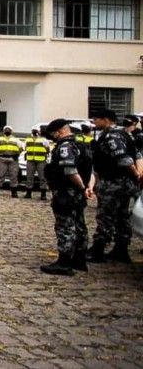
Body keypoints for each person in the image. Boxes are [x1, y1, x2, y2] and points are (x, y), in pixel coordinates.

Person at [85, 109, 142, 264]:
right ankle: (121, 249)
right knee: (122, 216)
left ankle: (98, 249)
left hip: (113, 182)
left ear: (106, 119)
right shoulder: (125, 134)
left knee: (106, 215)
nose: (94, 122)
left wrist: (136, 173)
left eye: (96, 119)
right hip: (125, 183)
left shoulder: (111, 136)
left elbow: (123, 158)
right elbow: (137, 155)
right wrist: (138, 174)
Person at [40, 119, 93, 276]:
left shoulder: (65, 147)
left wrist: (82, 187)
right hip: (78, 193)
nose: (52, 136)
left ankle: (64, 262)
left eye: (53, 133)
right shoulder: (82, 145)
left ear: (60, 130)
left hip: (66, 192)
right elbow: (90, 170)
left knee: (65, 226)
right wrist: (87, 188)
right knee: (79, 224)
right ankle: (79, 259)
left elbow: (70, 171)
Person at [0, 125, 23, 197]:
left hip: (13, 159)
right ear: (3, 131)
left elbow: (21, 148)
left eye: (9, 129)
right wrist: (0, 154)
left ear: (11, 131)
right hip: (2, 159)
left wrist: (16, 155)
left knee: (13, 175)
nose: (7, 131)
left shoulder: (16, 140)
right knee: (0, 175)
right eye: (6, 129)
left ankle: (14, 192)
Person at [24, 128, 50, 200]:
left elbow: (47, 149)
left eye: (36, 130)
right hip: (30, 160)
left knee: (42, 177)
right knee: (29, 177)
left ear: (39, 131)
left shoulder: (44, 140)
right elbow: (25, 148)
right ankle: (28, 193)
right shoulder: (28, 139)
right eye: (33, 130)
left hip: (41, 160)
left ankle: (43, 194)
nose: (34, 132)